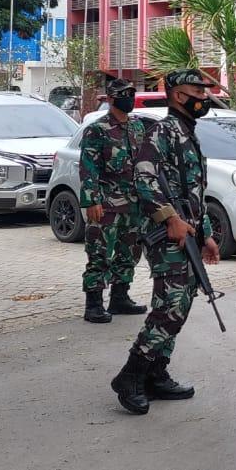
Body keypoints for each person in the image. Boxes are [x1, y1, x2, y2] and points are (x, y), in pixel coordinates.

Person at [109, 69, 222, 415]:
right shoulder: (163, 130)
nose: (203, 98)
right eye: (197, 91)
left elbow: (192, 193)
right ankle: (131, 374)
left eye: (205, 91)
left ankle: (156, 373)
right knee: (169, 307)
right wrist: (169, 218)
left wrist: (207, 235)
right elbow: (143, 177)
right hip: (167, 235)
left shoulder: (188, 134)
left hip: (188, 234)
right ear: (176, 94)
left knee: (182, 304)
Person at [79, 75, 149, 322]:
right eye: (123, 95)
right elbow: (89, 167)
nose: (128, 99)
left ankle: (120, 298)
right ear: (110, 99)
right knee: (99, 253)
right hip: (106, 205)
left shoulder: (137, 127)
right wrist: (91, 201)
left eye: (131, 94)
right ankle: (94, 304)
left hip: (134, 204)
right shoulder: (97, 130)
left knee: (129, 252)